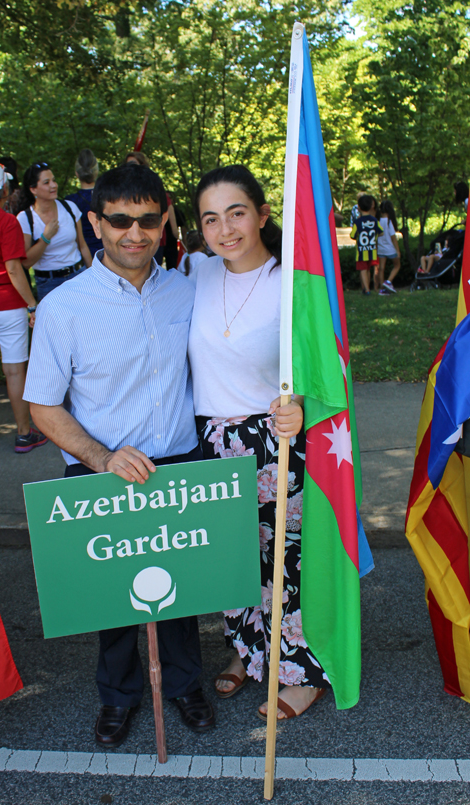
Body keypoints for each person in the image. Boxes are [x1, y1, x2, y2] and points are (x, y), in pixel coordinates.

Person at [23, 163, 215, 747]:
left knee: (183, 595)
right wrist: (103, 457)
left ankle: (184, 685)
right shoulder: (64, 308)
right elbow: (43, 407)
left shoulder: (189, 290)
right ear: (96, 225)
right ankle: (119, 694)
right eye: (121, 221)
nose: (136, 232)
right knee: (114, 603)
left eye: (148, 220)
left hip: (179, 467)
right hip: (102, 471)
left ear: (164, 223)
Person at [188, 165, 331, 721]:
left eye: (237, 212)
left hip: (271, 441)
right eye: (211, 218)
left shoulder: (292, 282)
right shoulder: (195, 272)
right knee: (232, 560)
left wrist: (300, 409)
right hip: (209, 439)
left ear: (263, 214)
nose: (225, 228)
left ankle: (300, 670)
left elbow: (321, 370)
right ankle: (245, 650)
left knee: (282, 563)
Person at [0, 164, 47, 453]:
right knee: (15, 371)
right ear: (4, 190)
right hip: (7, 303)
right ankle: (24, 433)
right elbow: (14, 268)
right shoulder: (8, 221)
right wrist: (31, 304)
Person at [17, 162, 92, 300]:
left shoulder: (69, 208)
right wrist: (45, 237)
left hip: (78, 276)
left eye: (54, 180)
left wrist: (94, 275)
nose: (53, 185)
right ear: (33, 189)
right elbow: (26, 263)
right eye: (46, 182)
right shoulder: (25, 218)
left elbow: (83, 246)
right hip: (48, 283)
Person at [65, 149, 103, 257]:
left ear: (77, 173)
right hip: (109, 250)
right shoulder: (109, 196)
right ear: (96, 171)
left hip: (82, 255)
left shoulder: (70, 202)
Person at [350, 194, 383, 295]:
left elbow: (352, 235)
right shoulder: (374, 220)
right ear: (371, 206)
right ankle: (371, 287)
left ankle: (367, 289)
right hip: (372, 249)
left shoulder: (357, 222)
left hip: (361, 251)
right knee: (370, 268)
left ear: (358, 207)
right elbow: (381, 232)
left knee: (363, 270)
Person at [377, 200, 401, 294]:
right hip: (390, 248)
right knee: (397, 265)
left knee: (381, 268)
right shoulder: (389, 221)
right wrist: (398, 250)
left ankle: (381, 288)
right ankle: (388, 281)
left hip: (380, 248)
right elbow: (393, 237)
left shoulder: (378, 221)